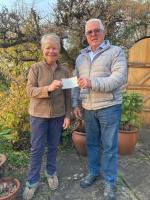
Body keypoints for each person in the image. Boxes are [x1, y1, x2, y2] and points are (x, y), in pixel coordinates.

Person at [72, 18, 127, 200]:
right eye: (89, 32)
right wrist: (75, 103)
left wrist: (92, 82)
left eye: (97, 30)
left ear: (104, 32)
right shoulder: (81, 57)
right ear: (86, 36)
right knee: (92, 144)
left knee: (110, 147)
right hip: (88, 108)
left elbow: (118, 78)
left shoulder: (116, 52)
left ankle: (110, 181)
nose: (93, 34)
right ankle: (94, 172)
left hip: (109, 107)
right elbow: (75, 83)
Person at [23, 33, 71, 200]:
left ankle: (51, 172)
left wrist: (67, 115)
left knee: (52, 146)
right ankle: (32, 181)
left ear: (59, 49)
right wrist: (48, 88)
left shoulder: (64, 70)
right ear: (43, 50)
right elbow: (30, 91)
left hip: (58, 116)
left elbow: (68, 95)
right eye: (48, 48)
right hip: (38, 116)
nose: (51, 51)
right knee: (36, 149)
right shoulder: (35, 68)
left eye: (55, 47)